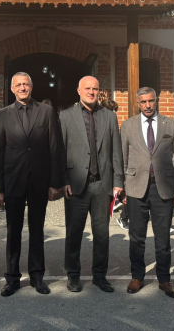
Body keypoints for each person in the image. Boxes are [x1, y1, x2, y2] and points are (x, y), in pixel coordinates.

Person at [0, 72, 64, 296]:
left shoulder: (46, 112)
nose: (22, 88)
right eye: (18, 85)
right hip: (13, 181)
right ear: (12, 88)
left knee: (37, 230)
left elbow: (55, 147)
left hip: (39, 181)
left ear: (32, 87)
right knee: (13, 231)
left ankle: (37, 277)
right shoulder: (2, 114)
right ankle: (12, 278)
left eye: (26, 84)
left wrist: (55, 183)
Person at [121, 87, 174, 299]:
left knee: (163, 238)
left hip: (163, 189)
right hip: (135, 188)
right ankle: (137, 276)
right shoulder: (128, 125)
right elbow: (122, 159)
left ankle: (164, 279)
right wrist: (122, 187)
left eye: (151, 101)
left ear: (156, 101)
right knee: (136, 237)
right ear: (137, 104)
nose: (148, 105)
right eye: (143, 102)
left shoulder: (171, 125)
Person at [60, 76, 123, 293]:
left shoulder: (109, 116)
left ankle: (100, 275)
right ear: (78, 90)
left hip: (102, 185)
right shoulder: (65, 116)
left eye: (95, 88)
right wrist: (63, 181)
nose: (91, 92)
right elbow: (60, 152)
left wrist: (118, 181)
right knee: (74, 233)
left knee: (102, 234)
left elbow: (116, 151)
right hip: (76, 185)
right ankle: (73, 275)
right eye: (87, 88)